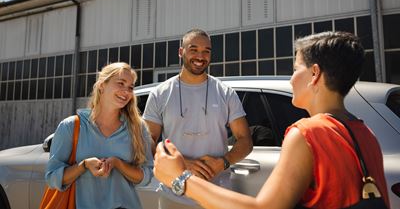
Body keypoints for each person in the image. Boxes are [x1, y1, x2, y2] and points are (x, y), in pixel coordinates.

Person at [153, 31, 391, 209]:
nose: (290, 79)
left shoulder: (306, 133)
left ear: (314, 74)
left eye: (296, 69)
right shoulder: (367, 134)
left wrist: (180, 178)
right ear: (182, 52)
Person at [143, 28, 253, 208]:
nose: (200, 56)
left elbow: (245, 140)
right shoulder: (160, 94)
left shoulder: (225, 93)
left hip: (217, 195)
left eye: (206, 51)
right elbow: (149, 142)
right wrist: (181, 163)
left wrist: (223, 163)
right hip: (174, 193)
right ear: (181, 52)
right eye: (193, 49)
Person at [45, 62, 153, 209]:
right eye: (121, 83)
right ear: (102, 85)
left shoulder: (137, 127)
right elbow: (52, 178)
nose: (126, 91)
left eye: (130, 87)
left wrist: (118, 164)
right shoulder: (71, 126)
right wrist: (84, 165)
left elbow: (146, 176)